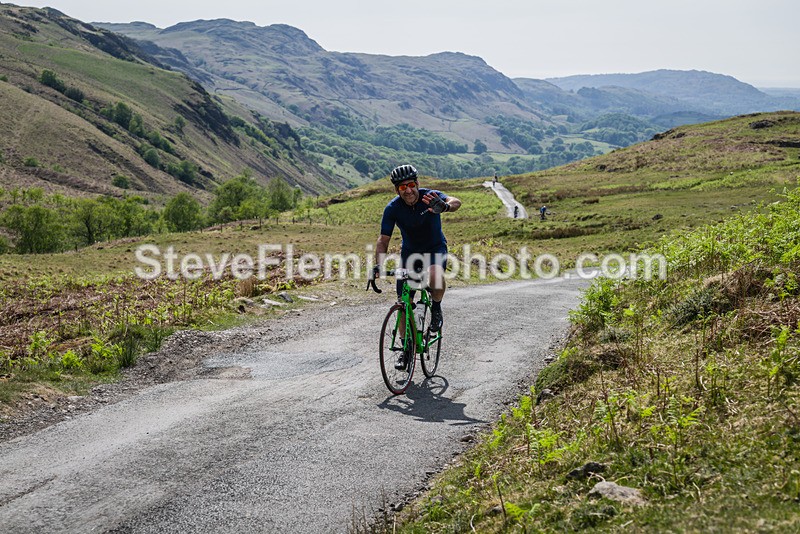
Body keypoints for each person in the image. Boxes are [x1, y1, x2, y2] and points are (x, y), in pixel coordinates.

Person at [373, 164, 462, 342]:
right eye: (402, 187)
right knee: (403, 303)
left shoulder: (430, 197)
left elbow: (456, 202)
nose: (408, 191)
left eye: (411, 185)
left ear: (417, 183)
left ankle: (436, 308)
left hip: (435, 248)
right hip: (410, 254)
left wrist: (444, 206)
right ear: (397, 190)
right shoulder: (393, 208)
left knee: (436, 275)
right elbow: (383, 240)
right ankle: (406, 348)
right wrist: (378, 265)